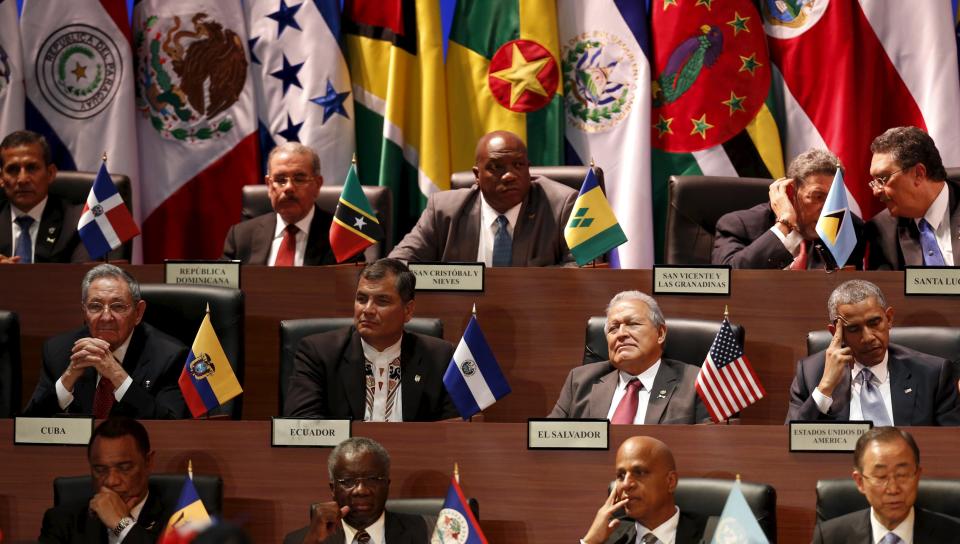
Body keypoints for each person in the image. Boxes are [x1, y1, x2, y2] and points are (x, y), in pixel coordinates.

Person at [284, 258, 458, 420]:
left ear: (408, 310)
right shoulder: (318, 353)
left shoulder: (441, 358)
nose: (367, 310)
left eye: (382, 301)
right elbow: (301, 425)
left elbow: (453, 432)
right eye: (361, 299)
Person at [389, 130, 577, 266]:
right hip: (462, 315)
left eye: (518, 164)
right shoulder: (443, 210)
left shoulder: (561, 206)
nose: (509, 175)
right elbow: (397, 265)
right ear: (477, 175)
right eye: (496, 167)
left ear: (529, 168)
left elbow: (581, 271)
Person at [24, 264, 188, 419]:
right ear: (84, 311)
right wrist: (67, 380)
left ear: (138, 312)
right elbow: (28, 427)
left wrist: (117, 375)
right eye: (95, 307)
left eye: (117, 307)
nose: (106, 317)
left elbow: (170, 424)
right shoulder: (58, 351)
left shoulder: (169, 357)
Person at [786, 279, 960, 425]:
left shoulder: (932, 373)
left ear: (889, 318)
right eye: (854, 329)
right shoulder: (811, 374)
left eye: (874, 322)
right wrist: (825, 387)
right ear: (835, 333)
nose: (868, 337)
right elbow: (789, 441)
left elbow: (949, 445)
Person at [548, 291, 709, 424]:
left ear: (660, 334)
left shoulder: (696, 382)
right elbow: (546, 440)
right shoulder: (580, 381)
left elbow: (709, 449)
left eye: (633, 324)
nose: (621, 334)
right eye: (613, 328)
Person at [712, 148, 866, 269]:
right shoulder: (738, 225)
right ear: (791, 192)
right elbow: (727, 280)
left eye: (834, 199)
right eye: (817, 197)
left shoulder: (849, 227)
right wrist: (784, 224)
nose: (828, 209)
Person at [39, 416, 176, 542]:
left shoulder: (179, 520)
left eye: (124, 468)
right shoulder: (63, 521)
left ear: (148, 462)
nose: (111, 481)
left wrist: (121, 524)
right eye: (100, 470)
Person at [813, 426, 960, 543]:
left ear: (917, 475)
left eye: (902, 475)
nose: (893, 489)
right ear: (860, 482)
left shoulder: (954, 535)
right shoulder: (829, 538)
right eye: (881, 477)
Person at [283, 437, 432, 544]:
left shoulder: (428, 533)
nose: (361, 490)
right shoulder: (299, 540)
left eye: (373, 479)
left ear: (387, 484)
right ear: (333, 489)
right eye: (348, 481)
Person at [222, 142, 344, 266]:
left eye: (299, 179)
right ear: (269, 185)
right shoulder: (241, 236)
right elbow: (222, 285)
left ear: (317, 185)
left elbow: (355, 284)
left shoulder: (342, 237)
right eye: (280, 180)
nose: (289, 187)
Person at [581, 436, 707, 544]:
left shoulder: (714, 533)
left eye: (639, 473)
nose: (626, 484)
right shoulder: (609, 537)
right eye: (621, 476)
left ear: (670, 481)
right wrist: (590, 541)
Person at [866, 126, 960, 269]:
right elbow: (886, 289)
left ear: (918, 174)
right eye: (875, 181)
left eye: (883, 178)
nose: (876, 191)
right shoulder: (883, 229)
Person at [0, 130, 88, 263]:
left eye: (31, 168)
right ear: (1, 178)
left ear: (50, 173)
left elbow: (83, 277)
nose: (22, 179)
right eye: (13, 170)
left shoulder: (79, 222)